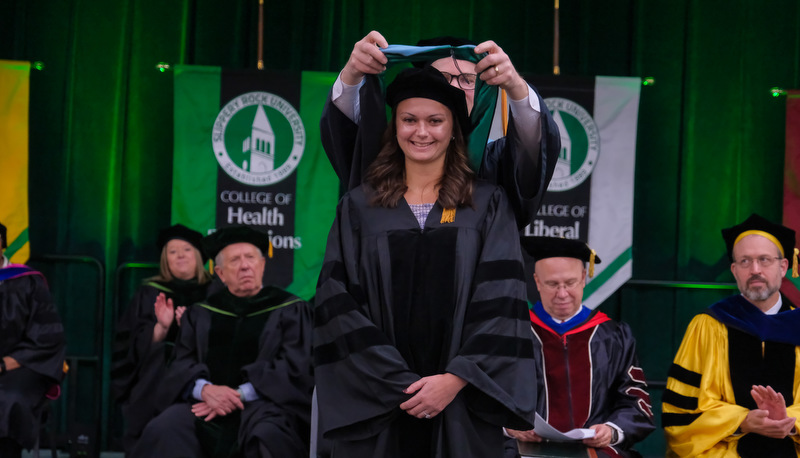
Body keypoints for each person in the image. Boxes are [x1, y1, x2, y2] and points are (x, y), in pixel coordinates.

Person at [313, 66, 537, 458]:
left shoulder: (486, 204)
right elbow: (337, 303)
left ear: (453, 129)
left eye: (435, 121)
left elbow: (502, 301)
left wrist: (454, 379)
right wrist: (396, 382)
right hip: (379, 402)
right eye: (409, 120)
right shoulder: (360, 207)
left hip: (461, 404)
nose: (421, 132)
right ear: (394, 126)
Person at [319, 30, 560, 229]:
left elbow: (532, 146)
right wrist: (352, 74)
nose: (453, 87)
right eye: (442, 77)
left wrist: (515, 85)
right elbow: (346, 133)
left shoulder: (495, 164)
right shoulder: (384, 159)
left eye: (467, 80)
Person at [131, 225, 314, 458]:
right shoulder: (201, 313)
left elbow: (294, 367)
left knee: (269, 436)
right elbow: (179, 364)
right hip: (204, 405)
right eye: (235, 260)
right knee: (164, 428)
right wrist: (205, 390)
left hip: (264, 406)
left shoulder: (291, 310)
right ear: (220, 273)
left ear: (262, 265)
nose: (245, 266)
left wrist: (238, 394)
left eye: (250, 258)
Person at [662, 213, 800, 457]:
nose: (755, 269)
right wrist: (742, 421)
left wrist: (787, 420)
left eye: (764, 260)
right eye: (745, 261)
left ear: (784, 266)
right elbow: (681, 413)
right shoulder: (708, 326)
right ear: (734, 270)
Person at [505, 236, 654, 458]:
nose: (562, 294)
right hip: (523, 451)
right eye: (552, 284)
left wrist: (612, 431)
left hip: (594, 451)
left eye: (570, 283)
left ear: (584, 278)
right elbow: (486, 396)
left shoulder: (614, 336)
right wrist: (509, 426)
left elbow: (634, 401)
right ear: (537, 282)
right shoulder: (512, 333)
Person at [110, 223, 213, 452]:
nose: (180, 256)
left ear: (198, 255)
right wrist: (160, 328)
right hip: (158, 372)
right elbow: (128, 344)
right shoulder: (150, 291)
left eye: (186, 249)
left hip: (205, 372)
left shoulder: (215, 292)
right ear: (165, 259)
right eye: (172, 252)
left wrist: (193, 328)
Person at [0, 221, 67, 458]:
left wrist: (5, 363)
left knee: (8, 398)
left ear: (2, 245)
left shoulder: (27, 281)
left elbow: (47, 337)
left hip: (21, 366)